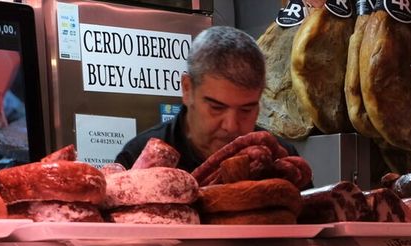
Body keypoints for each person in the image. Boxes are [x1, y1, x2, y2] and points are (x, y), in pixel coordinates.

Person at [114, 26, 293, 171]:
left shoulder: (281, 160)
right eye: (216, 107)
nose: (231, 126)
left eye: (246, 110)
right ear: (187, 89)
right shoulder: (138, 158)